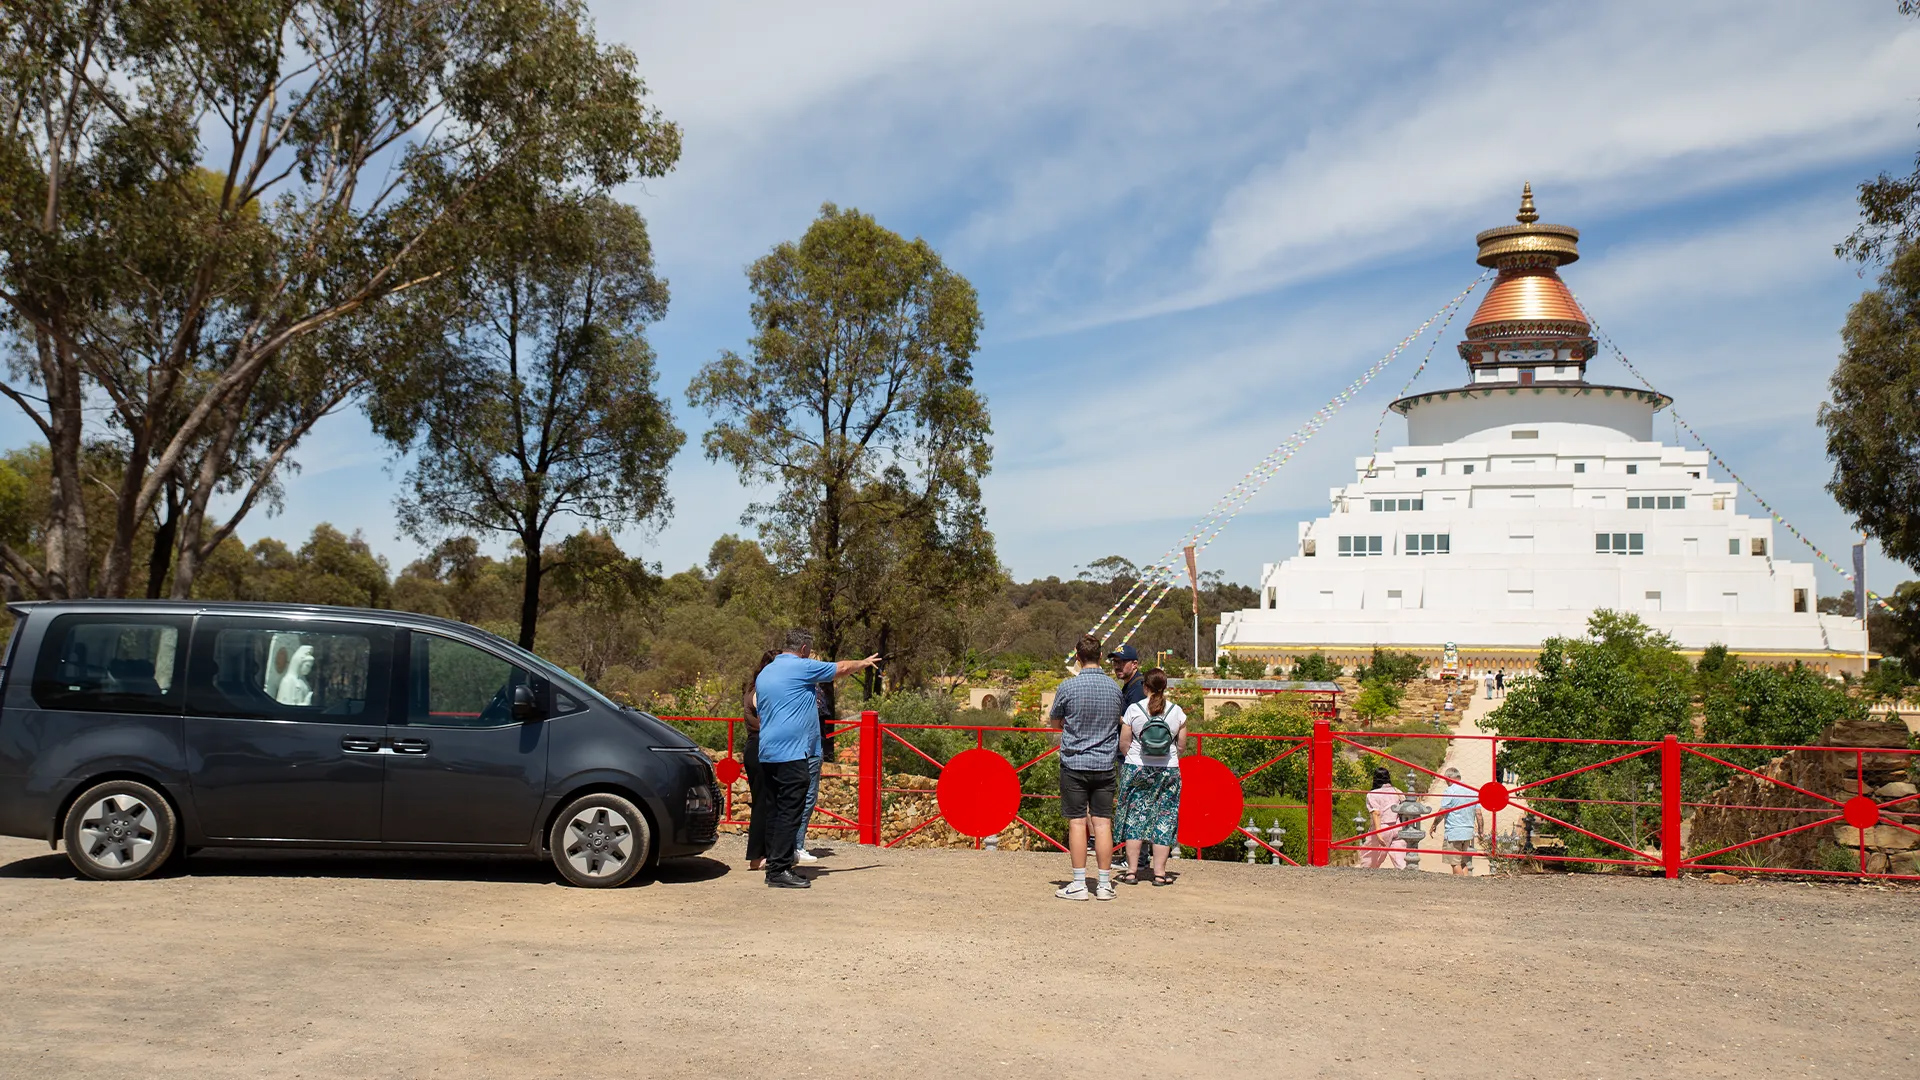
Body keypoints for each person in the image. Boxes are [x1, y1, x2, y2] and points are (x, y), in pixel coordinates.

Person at [754, 629, 879, 889]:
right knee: (792, 811)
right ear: (803, 649)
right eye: (808, 650)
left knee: (776, 810)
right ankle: (779, 870)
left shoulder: (766, 672)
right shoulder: (800, 667)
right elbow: (842, 668)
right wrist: (864, 663)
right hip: (792, 753)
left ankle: (775, 865)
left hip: (767, 752)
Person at [1048, 633, 1124, 901]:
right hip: (1104, 764)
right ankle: (1104, 885)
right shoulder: (1115, 689)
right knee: (1103, 823)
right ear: (1101, 656)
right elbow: (1118, 721)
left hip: (1075, 763)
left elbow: (1055, 723)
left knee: (1078, 823)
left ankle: (1079, 883)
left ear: (1077, 657)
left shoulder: (1067, 687)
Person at [1114, 667, 1185, 886]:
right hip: (1168, 769)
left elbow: (1124, 743)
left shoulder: (1134, 710)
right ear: (1165, 687)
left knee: (1135, 818)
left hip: (1137, 767)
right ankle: (1160, 874)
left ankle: (1132, 872)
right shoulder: (1177, 711)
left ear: (1145, 687)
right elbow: (1181, 745)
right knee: (1165, 818)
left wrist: (1133, 758)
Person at [740, 649, 780, 872]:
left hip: (757, 747)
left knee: (766, 801)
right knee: (764, 802)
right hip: (759, 747)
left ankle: (763, 853)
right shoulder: (760, 692)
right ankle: (757, 855)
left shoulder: (754, 688)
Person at [791, 684, 831, 865]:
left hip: (795, 748)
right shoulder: (810, 692)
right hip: (809, 749)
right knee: (807, 797)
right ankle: (796, 846)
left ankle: (791, 846)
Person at [1428, 766, 1486, 876]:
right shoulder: (1473, 791)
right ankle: (1466, 884)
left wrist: (1434, 824)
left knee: (1455, 863)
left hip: (1454, 832)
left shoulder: (1450, 790)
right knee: (1463, 862)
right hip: (1468, 832)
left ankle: (1461, 887)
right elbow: (1479, 814)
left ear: (1449, 778)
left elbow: (1442, 811)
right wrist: (1480, 831)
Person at [1362, 766, 1406, 869]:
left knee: (1369, 859)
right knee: (1400, 860)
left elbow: (1376, 813)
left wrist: (1378, 832)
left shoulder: (1372, 794)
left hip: (1382, 827)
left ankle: (1364, 880)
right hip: (1398, 826)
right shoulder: (1397, 791)